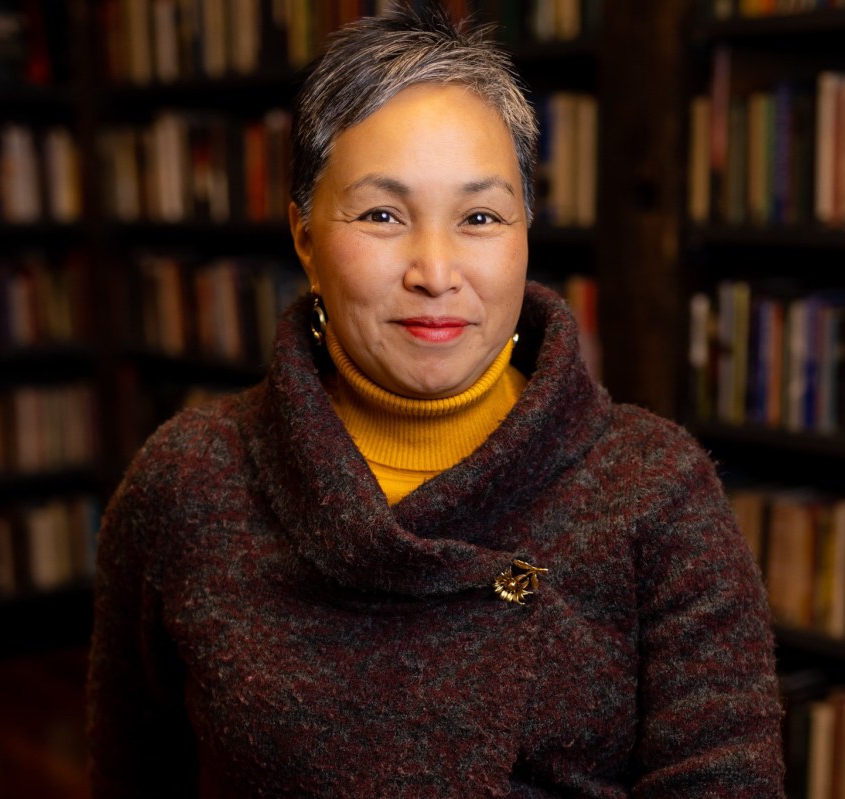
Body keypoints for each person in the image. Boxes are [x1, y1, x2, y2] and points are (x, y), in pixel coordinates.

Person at [86, 5, 784, 797]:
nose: (435, 270)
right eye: (383, 214)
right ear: (305, 237)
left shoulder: (655, 491)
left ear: (526, 231)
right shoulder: (185, 481)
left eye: (480, 217)